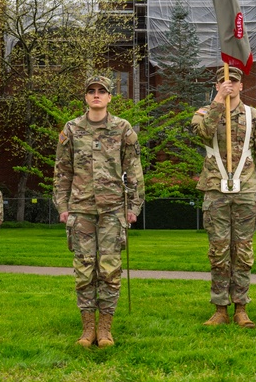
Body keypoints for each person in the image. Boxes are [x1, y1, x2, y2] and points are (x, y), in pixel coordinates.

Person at [54, 75, 144, 348]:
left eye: (101, 91)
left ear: (109, 97)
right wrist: (62, 206)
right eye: (91, 91)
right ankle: (87, 329)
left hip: (113, 210)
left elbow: (134, 169)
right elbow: (62, 172)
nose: (96, 95)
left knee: (109, 269)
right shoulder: (71, 130)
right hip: (81, 210)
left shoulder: (123, 129)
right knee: (83, 270)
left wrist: (135, 206)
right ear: (85, 97)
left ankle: (105, 329)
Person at [192, 67, 256, 328]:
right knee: (218, 251)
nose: (229, 85)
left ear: (241, 86)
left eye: (234, 82)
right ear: (217, 85)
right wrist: (218, 102)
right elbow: (203, 133)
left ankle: (241, 307)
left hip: (246, 189)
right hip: (216, 189)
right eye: (224, 81)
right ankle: (219, 309)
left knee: (243, 251)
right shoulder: (204, 113)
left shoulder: (254, 116)